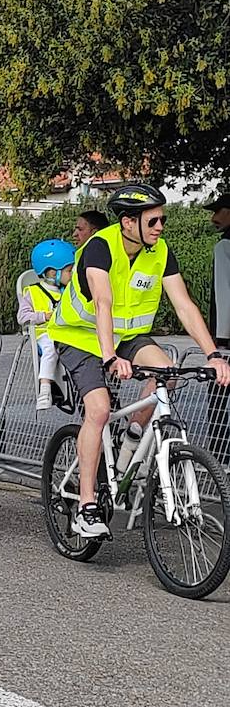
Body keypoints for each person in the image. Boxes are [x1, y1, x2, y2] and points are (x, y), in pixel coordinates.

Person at [50, 184, 230, 538]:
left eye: (162, 219)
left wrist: (213, 355)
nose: (161, 226)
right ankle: (86, 506)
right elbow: (103, 303)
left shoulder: (160, 251)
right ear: (129, 222)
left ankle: (133, 435)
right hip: (79, 336)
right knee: (99, 409)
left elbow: (184, 306)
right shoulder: (101, 247)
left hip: (127, 336)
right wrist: (109, 358)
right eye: (154, 220)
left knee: (169, 373)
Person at [17, 239, 75, 411]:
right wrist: (44, 316)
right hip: (44, 334)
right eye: (69, 270)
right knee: (50, 347)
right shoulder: (33, 292)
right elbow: (23, 317)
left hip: (65, 332)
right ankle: (45, 389)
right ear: (51, 272)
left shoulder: (69, 292)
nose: (72, 274)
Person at [204, 190, 230, 456]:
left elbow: (224, 292)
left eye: (217, 211)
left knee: (220, 394)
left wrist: (220, 339)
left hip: (225, 338)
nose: (213, 218)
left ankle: (221, 453)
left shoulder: (225, 244)